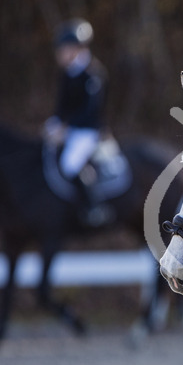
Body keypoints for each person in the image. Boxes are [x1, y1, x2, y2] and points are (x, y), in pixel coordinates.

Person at [46, 18, 110, 226]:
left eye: (63, 49)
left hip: (88, 131)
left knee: (70, 164)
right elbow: (62, 106)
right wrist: (55, 123)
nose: (59, 54)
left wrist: (65, 127)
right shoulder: (68, 73)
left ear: (76, 49)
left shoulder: (93, 74)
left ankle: (94, 206)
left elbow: (90, 111)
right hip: (71, 129)